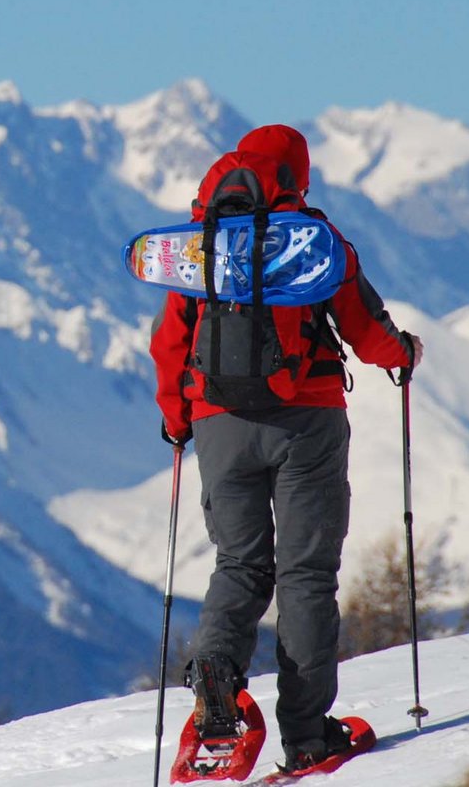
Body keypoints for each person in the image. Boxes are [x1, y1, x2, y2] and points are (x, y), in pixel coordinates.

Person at [149, 123, 421, 775]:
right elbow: (361, 323)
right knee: (304, 575)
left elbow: (170, 340)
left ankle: (216, 674)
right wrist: (402, 353)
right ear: (296, 175)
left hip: (218, 423)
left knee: (240, 566)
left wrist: (177, 419)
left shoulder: (202, 242)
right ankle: (306, 736)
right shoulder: (314, 240)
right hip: (308, 421)